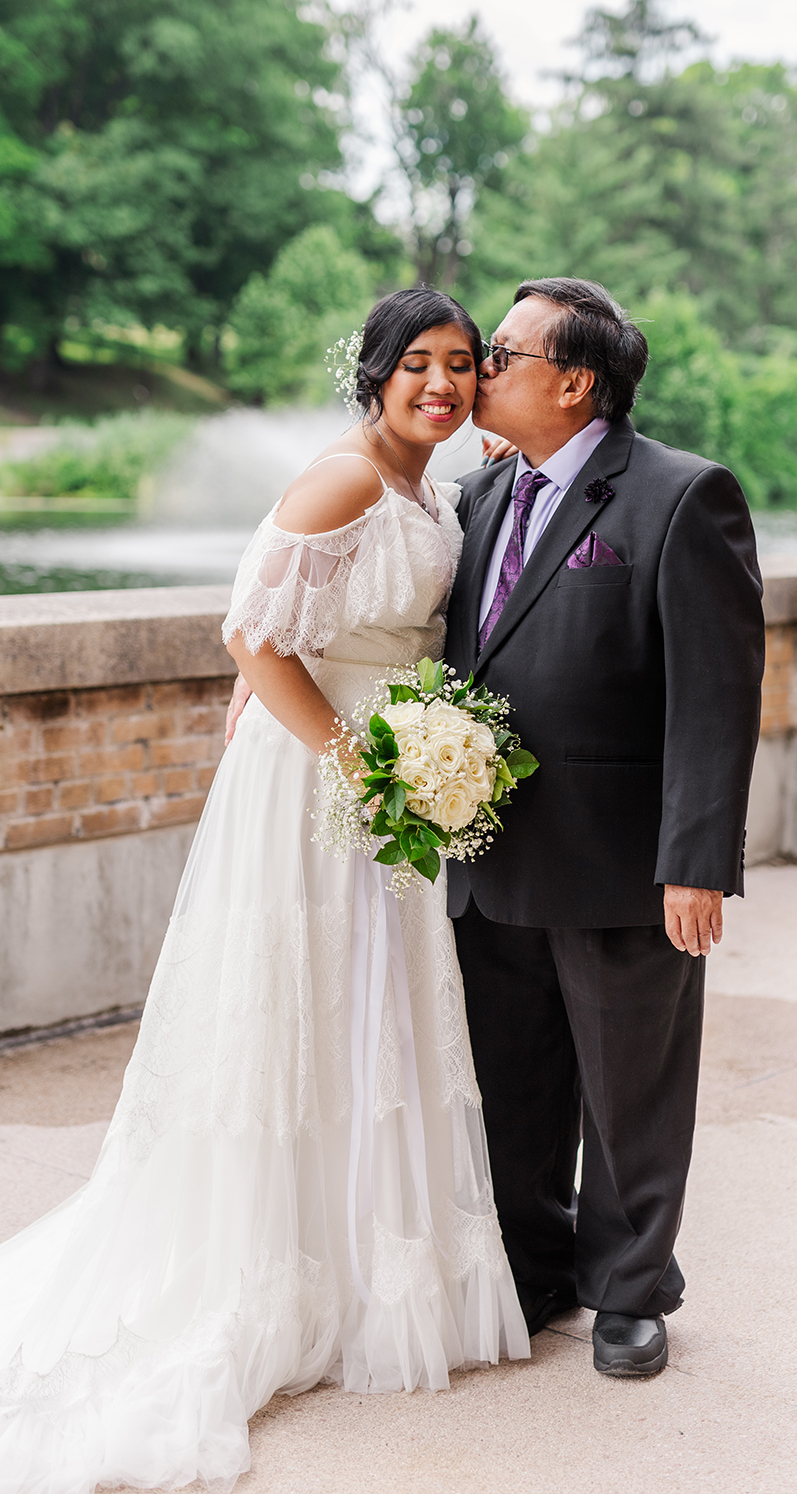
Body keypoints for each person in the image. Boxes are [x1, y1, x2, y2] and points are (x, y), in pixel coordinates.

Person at [0, 288, 530, 1491]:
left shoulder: (434, 484)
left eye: (462, 367)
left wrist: (411, 760)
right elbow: (253, 637)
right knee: (303, 1003)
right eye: (419, 366)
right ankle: (279, 1267)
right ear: (376, 372)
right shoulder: (340, 480)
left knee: (373, 1007)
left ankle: (356, 1257)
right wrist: (359, 765)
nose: (441, 386)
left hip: (388, 772)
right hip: (314, 781)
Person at [443, 278, 766, 1379]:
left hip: (623, 858)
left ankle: (632, 1289)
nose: (477, 370)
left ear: (573, 382)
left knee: (632, 1084)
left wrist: (696, 863)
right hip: (487, 852)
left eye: (498, 351)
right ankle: (535, 1271)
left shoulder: (682, 497)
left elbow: (716, 697)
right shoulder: (485, 494)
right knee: (516, 1076)